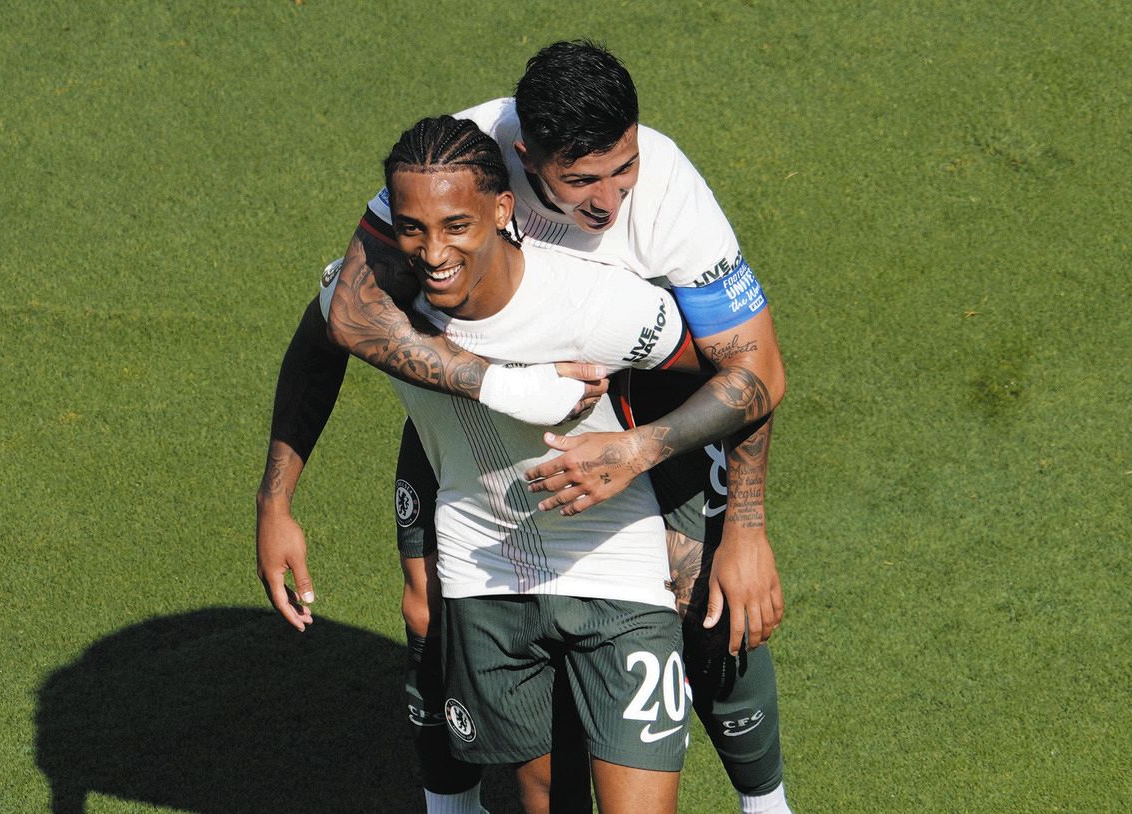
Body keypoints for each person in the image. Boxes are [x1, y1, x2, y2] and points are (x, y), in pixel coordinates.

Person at [257, 41, 791, 814]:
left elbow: (753, 371)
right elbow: (348, 316)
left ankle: (766, 803)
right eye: (581, 181)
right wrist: (278, 500)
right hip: (468, 415)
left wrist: (734, 521)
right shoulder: (454, 171)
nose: (610, 203)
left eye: (624, 168)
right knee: (429, 612)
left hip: (641, 401)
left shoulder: (666, 197)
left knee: (711, 598)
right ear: (521, 164)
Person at [362, 114, 703, 814]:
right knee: (544, 795)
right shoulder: (375, 307)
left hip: (618, 566)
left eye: (456, 225)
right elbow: (323, 341)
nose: (433, 251)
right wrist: (276, 501)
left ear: (501, 210)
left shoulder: (599, 304)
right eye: (413, 228)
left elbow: (738, 370)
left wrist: (649, 460)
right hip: (487, 573)